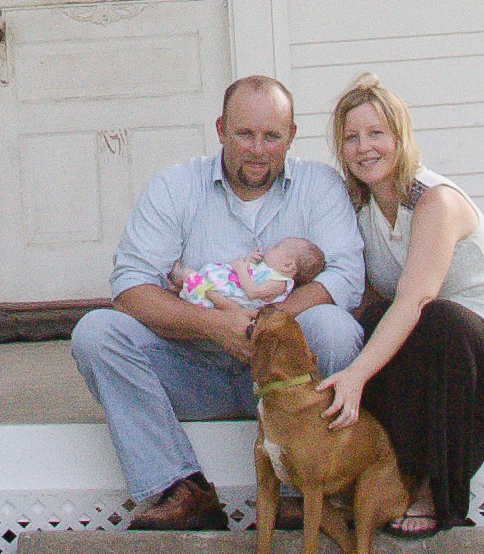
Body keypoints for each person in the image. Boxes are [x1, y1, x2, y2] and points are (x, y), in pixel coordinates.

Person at [71, 74, 365, 530]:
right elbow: (131, 285)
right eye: (245, 133)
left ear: (291, 134)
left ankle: (298, 492)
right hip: (195, 370)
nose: (257, 148)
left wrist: (266, 326)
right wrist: (213, 327)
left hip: (286, 376)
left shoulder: (319, 186)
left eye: (272, 136)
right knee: (96, 333)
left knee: (335, 328)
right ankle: (181, 488)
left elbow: (347, 278)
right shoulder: (176, 186)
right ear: (221, 128)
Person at [314, 71, 484, 538]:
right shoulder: (363, 213)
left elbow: (416, 299)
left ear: (400, 137)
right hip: (440, 357)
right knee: (374, 322)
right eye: (351, 137)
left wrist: (356, 377)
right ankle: (378, 480)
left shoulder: (436, 200)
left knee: (435, 319)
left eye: (377, 133)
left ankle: (434, 489)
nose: (364, 147)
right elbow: (369, 299)